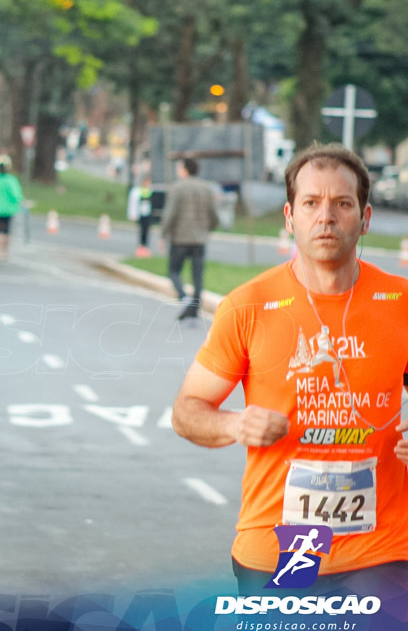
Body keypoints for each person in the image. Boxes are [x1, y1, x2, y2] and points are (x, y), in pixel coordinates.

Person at [171, 143, 408, 599]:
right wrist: (237, 422)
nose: (326, 217)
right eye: (311, 203)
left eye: (342, 203)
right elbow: (187, 411)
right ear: (289, 216)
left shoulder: (400, 302)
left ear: (365, 217)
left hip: (381, 549)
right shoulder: (248, 306)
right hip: (280, 546)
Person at [160, 157, 219, 320]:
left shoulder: (177, 187)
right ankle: (194, 308)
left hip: (180, 238)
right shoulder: (206, 188)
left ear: (185, 169)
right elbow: (213, 213)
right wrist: (210, 228)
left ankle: (184, 297)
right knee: (197, 276)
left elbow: (170, 213)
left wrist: (164, 233)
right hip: (199, 239)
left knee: (173, 271)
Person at [126, 175, 155, 257]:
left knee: (147, 231)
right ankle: (141, 247)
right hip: (141, 214)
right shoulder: (138, 191)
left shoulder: (150, 190)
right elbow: (134, 203)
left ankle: (145, 247)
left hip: (147, 214)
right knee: (142, 231)